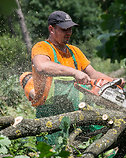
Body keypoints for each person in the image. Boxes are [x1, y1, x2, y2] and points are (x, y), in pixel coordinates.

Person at [20, 11, 114, 145]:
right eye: (64, 29)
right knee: (52, 157)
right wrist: (75, 72)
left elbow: (93, 74)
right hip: (51, 114)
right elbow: (42, 66)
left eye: (70, 29)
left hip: (80, 112)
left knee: (89, 149)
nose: (68, 32)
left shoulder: (74, 51)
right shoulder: (42, 47)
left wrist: (113, 82)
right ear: (51, 29)